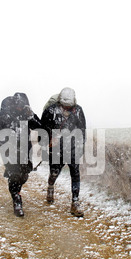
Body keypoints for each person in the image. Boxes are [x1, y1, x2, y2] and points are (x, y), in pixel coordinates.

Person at [0, 92, 43, 217]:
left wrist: (32, 117)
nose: (20, 108)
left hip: (24, 148)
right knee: (15, 173)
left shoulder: (27, 114)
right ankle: (16, 199)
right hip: (7, 148)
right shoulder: (5, 114)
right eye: (18, 106)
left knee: (24, 174)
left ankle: (16, 190)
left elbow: (41, 128)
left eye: (22, 106)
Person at [41, 87, 86, 217]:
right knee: (54, 172)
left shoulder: (78, 110)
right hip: (56, 149)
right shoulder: (51, 110)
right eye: (64, 106)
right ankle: (50, 187)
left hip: (72, 148)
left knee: (75, 174)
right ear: (60, 102)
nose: (67, 109)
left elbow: (82, 129)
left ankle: (75, 202)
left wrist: (81, 146)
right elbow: (42, 129)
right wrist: (48, 140)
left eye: (69, 106)